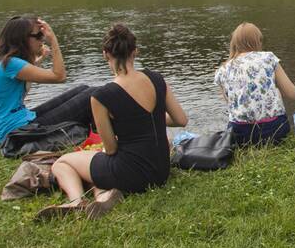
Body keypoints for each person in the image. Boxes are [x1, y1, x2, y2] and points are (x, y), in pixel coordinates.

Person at [41, 24, 188, 219]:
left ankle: (76, 201)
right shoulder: (157, 79)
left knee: (63, 163)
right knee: (98, 169)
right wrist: (149, 120)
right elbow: (181, 119)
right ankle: (102, 196)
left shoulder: (102, 96)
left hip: (131, 174)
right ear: (135, 51)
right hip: (161, 170)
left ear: (105, 54)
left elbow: (110, 149)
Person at [0, 15, 94, 146]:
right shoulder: (11, 64)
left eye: (43, 35)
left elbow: (22, 92)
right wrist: (53, 40)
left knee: (83, 88)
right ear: (22, 39)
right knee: (92, 95)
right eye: (38, 36)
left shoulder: (1, 60)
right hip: (17, 134)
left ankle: (98, 135)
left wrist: (38, 59)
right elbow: (60, 76)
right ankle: (105, 137)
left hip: (13, 128)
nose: (42, 40)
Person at [214, 22, 295, 145]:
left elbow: (231, 104)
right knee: (277, 90)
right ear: (257, 41)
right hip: (275, 131)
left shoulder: (223, 70)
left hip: (240, 136)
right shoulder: (268, 58)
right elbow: (292, 94)